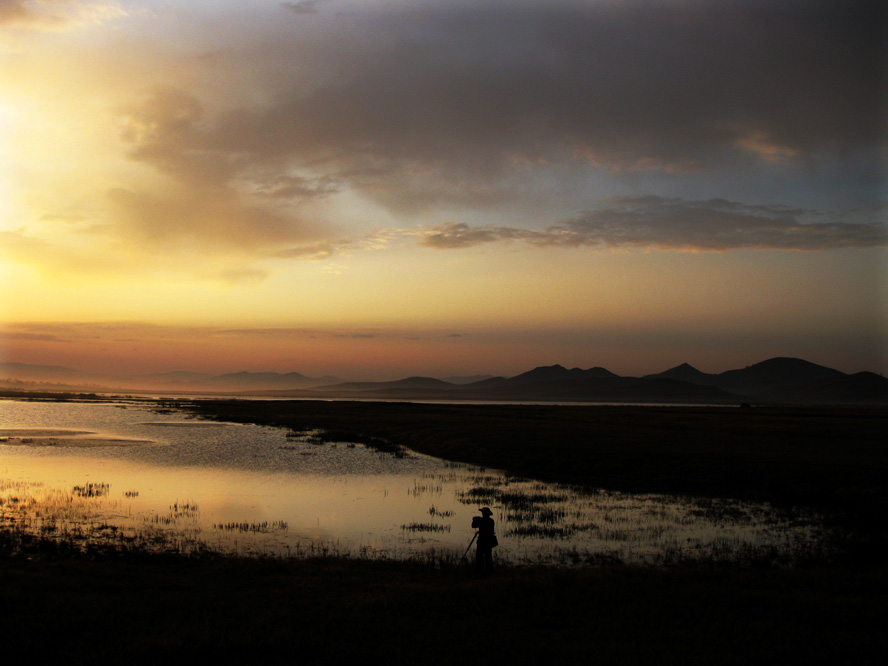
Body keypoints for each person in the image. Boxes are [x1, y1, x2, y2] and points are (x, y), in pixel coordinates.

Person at [474, 506, 496, 575]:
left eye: (483, 513)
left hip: (483, 541)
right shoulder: (491, 521)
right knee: (488, 557)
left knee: (480, 557)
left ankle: (479, 572)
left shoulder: (482, 521)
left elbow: (473, 525)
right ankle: (489, 571)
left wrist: (476, 520)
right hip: (488, 542)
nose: (482, 514)